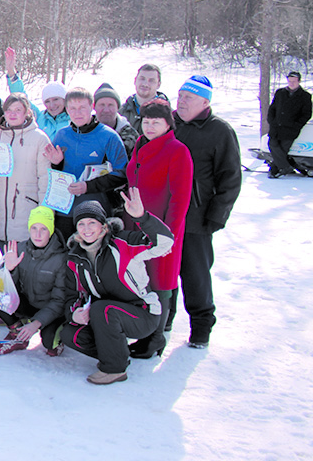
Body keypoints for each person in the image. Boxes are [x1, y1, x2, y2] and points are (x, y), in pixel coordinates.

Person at [55, 193, 175, 384]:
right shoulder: (75, 259)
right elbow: (73, 295)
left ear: (103, 225)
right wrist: (74, 313)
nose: (87, 229)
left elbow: (165, 242)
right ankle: (118, 353)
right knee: (70, 334)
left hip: (142, 314)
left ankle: (115, 369)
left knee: (103, 308)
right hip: (105, 318)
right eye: (81, 224)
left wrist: (142, 217)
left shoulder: (122, 243)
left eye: (92, 223)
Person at [172, 75, 241, 349]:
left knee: (195, 274)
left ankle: (201, 326)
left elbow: (230, 177)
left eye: (188, 97)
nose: (182, 101)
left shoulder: (219, 131)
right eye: (180, 96)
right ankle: (164, 322)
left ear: (205, 102)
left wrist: (216, 215)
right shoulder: (170, 125)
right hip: (166, 215)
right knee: (163, 272)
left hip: (197, 217)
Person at [125, 99, 193, 358]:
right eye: (146, 121)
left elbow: (180, 198)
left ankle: (155, 338)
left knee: (160, 283)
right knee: (142, 282)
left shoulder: (177, 151)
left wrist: (167, 235)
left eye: (156, 122)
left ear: (168, 124)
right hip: (136, 225)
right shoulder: (141, 146)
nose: (150, 126)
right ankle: (145, 333)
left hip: (161, 230)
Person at [43, 87, 128, 238]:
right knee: (66, 257)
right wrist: (56, 164)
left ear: (92, 106)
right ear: (67, 109)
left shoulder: (108, 136)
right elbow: (55, 175)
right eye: (73, 108)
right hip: (65, 211)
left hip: (95, 212)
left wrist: (87, 187)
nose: (78, 113)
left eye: (82, 107)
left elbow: (121, 174)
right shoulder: (62, 135)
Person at [0, 206, 69, 355]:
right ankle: (17, 333)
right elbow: (7, 288)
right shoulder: (20, 249)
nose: (38, 234)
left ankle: (57, 334)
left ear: (51, 230)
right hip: (29, 303)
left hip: (52, 311)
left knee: (49, 343)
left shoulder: (61, 258)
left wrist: (36, 323)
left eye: (43, 229)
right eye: (34, 228)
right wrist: (9, 270)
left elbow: (59, 301)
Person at [0, 92, 51, 244]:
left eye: (17, 110)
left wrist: (44, 213)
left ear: (27, 112)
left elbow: (45, 178)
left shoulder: (39, 138)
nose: (12, 114)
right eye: (8, 110)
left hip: (26, 208)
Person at [5, 48, 69, 139]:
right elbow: (21, 98)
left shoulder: (74, 118)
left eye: (56, 99)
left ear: (64, 99)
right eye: (47, 101)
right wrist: (11, 71)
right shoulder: (40, 118)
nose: (52, 105)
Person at [266, 71, 312, 177]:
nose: (291, 83)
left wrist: (296, 125)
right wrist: (271, 121)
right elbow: (272, 108)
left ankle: (275, 170)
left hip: (291, 129)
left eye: (294, 81)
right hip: (276, 127)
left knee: (283, 149)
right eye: (290, 81)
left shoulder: (305, 96)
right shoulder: (280, 93)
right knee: (272, 145)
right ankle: (286, 167)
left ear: (299, 81)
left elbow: (306, 114)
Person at [93, 82, 140, 159]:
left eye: (111, 105)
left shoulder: (130, 134)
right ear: (94, 107)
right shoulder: (84, 129)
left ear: (118, 108)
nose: (106, 110)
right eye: (102, 105)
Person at [119, 63, 168, 132]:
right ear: (135, 80)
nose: (145, 84)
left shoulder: (168, 115)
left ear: (158, 84)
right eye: (142, 79)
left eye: (151, 80)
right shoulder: (120, 113)